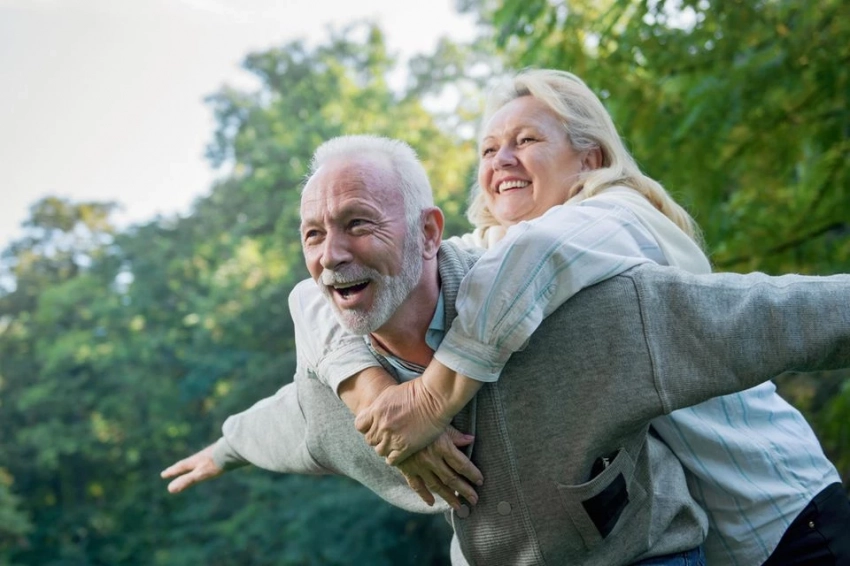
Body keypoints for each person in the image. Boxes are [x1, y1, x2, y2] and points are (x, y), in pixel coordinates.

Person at [163, 135, 850, 565]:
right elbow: (288, 423)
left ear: (429, 233)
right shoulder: (336, 391)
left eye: (358, 223)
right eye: (313, 234)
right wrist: (226, 445)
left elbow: (767, 315)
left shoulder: (578, 313)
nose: (331, 254)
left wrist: (433, 399)